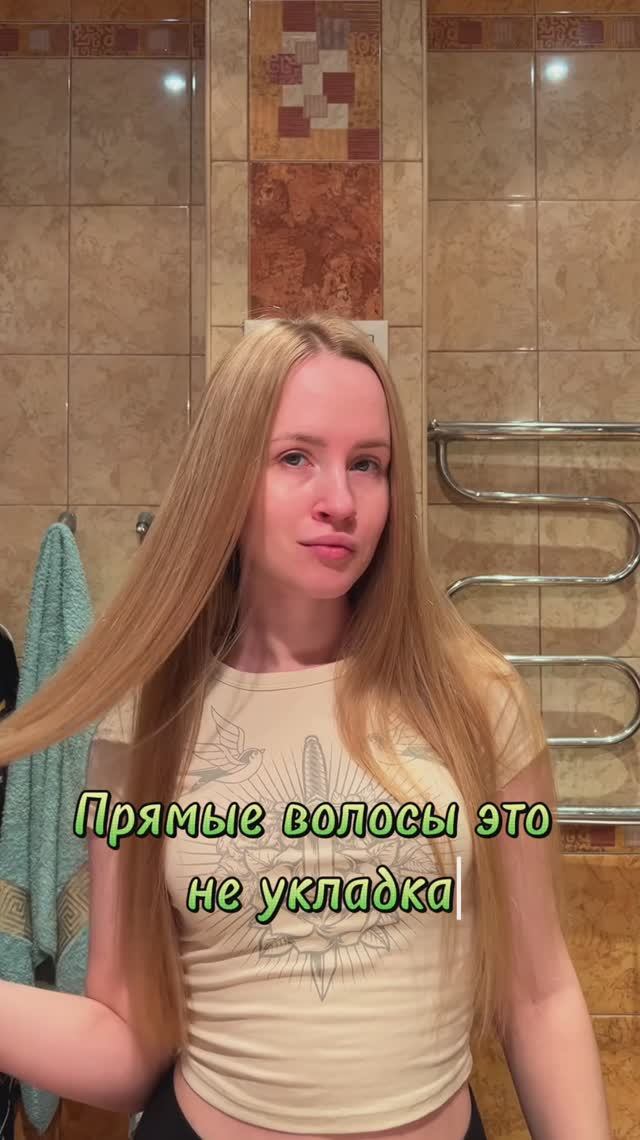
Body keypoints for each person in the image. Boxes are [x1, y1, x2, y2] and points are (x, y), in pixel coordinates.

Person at [0, 315, 611, 1140]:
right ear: (225, 477)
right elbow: (127, 1044)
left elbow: (538, 997)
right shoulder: (146, 719)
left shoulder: (476, 697)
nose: (340, 501)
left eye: (368, 465)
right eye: (296, 457)